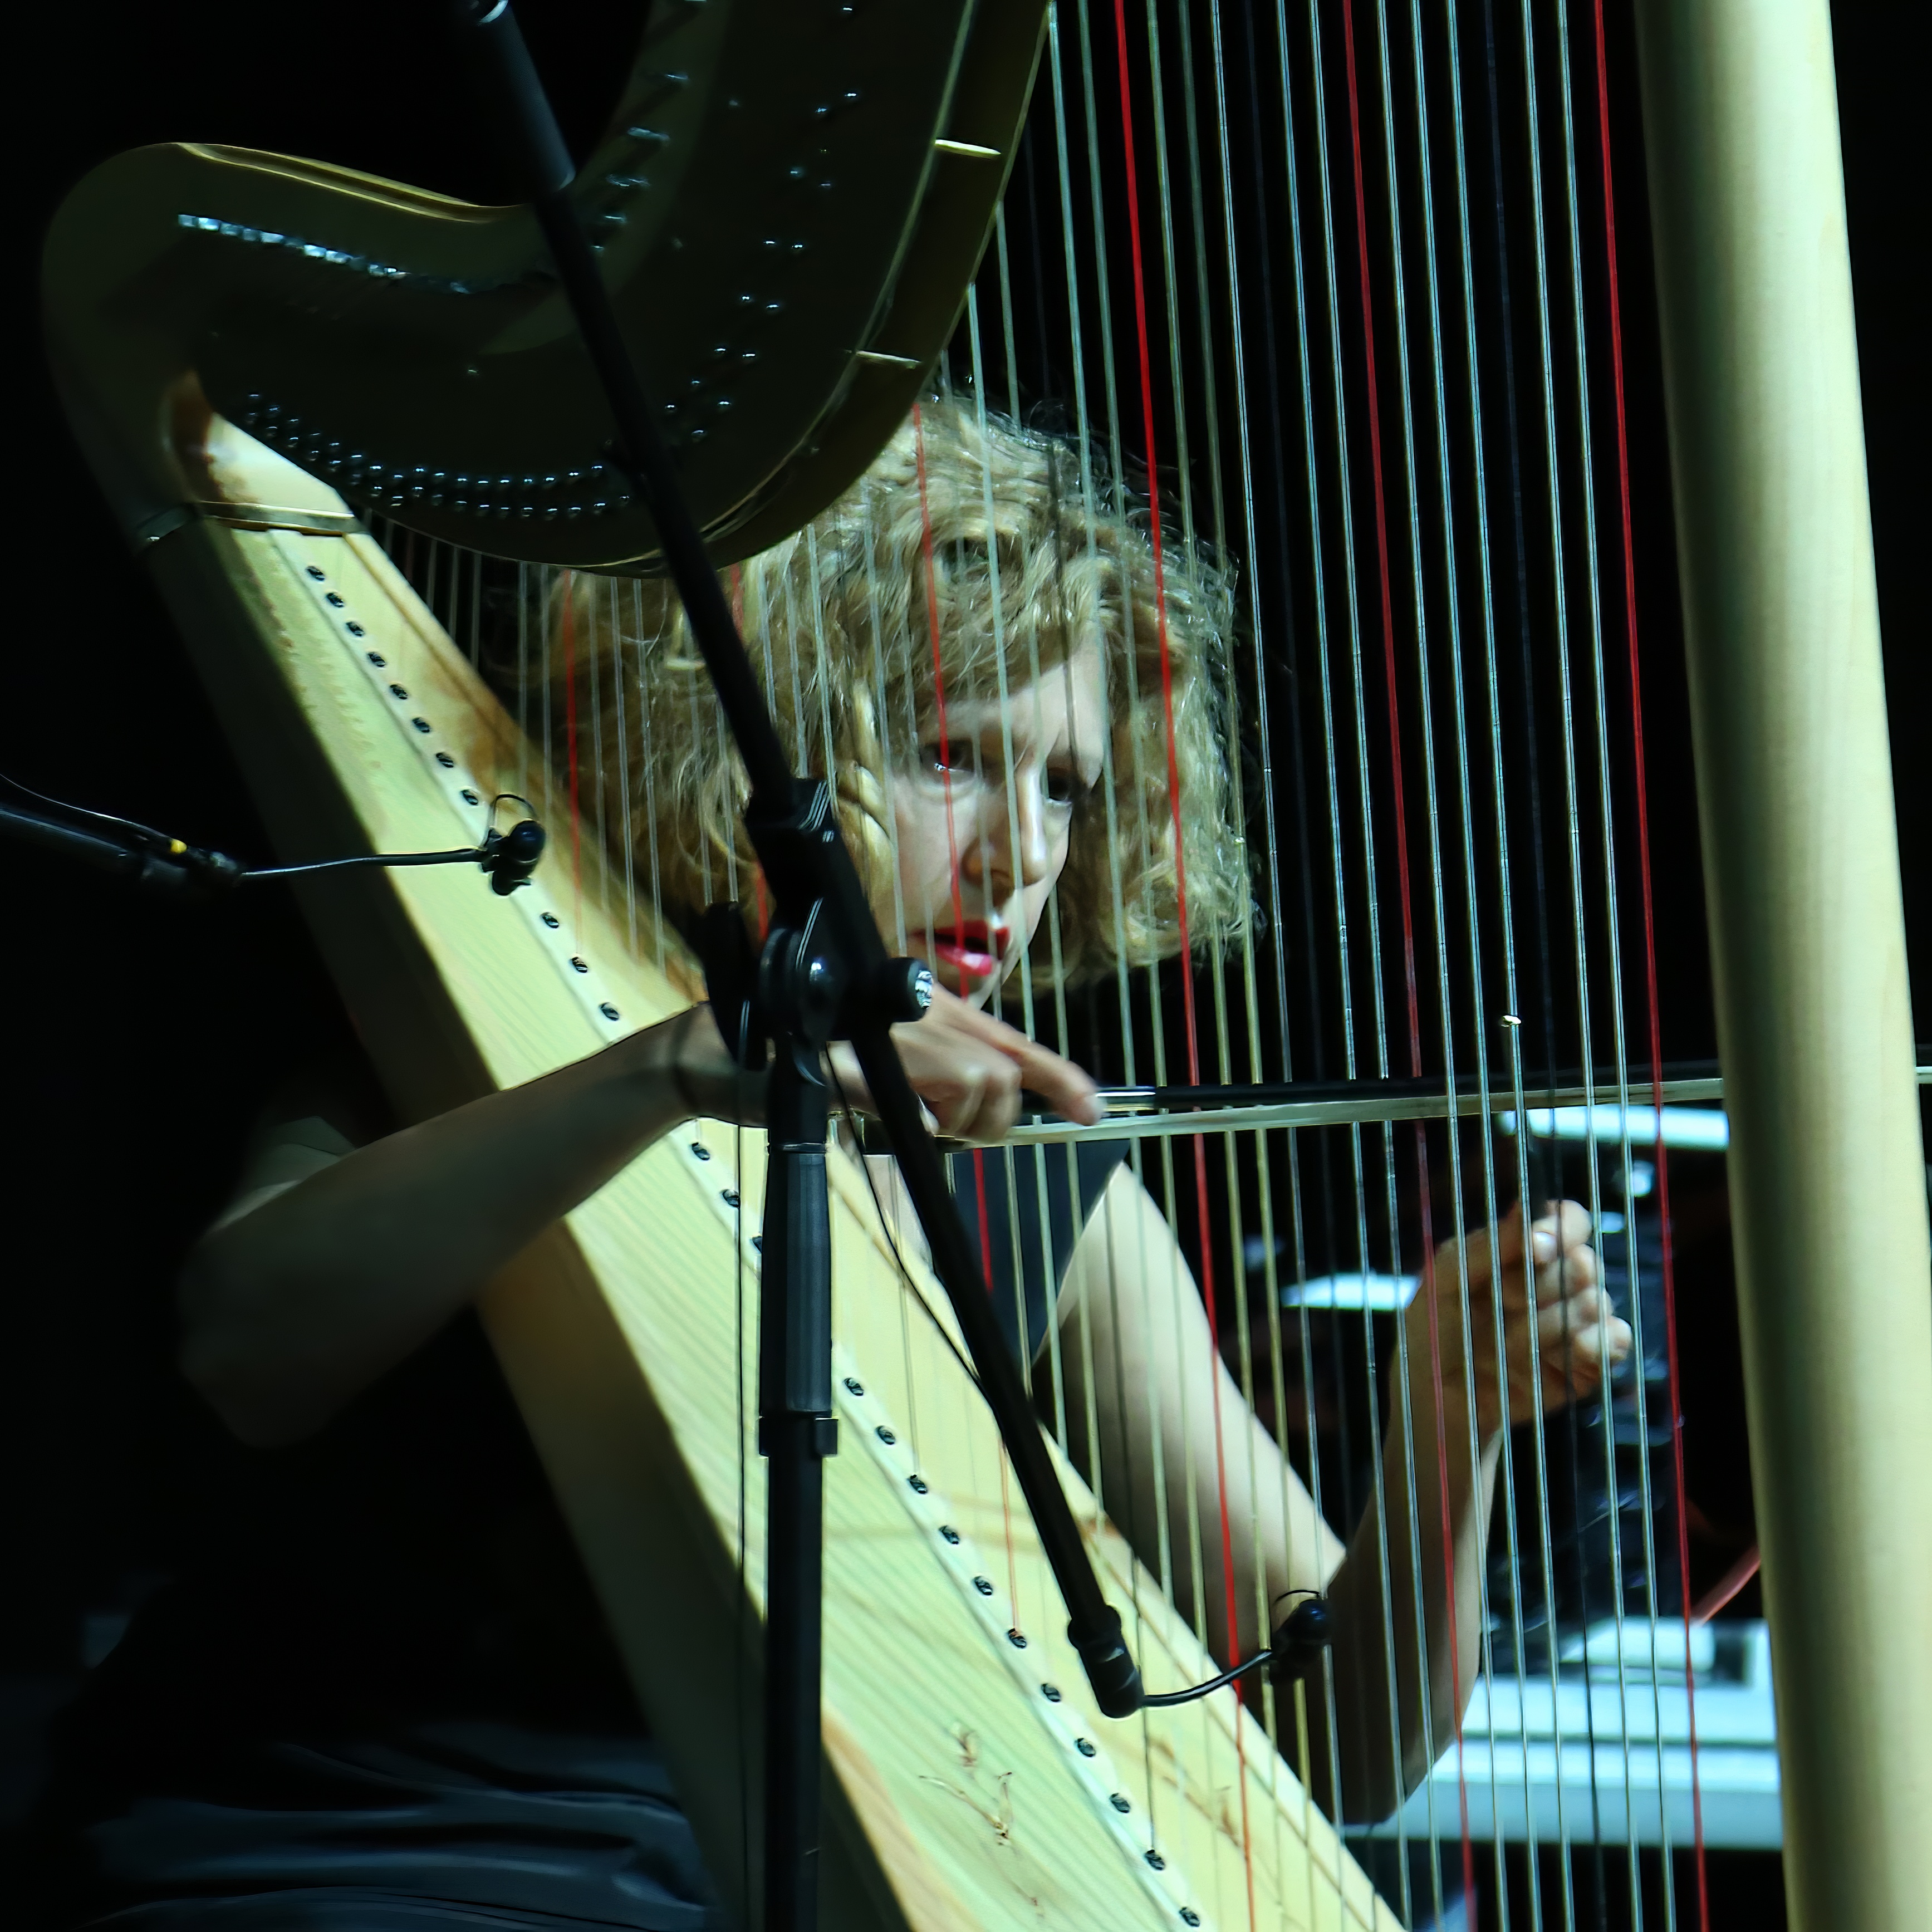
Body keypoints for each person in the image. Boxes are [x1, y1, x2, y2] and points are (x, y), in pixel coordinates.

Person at [22, 400, 1627, 1927]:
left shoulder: (1050, 1199)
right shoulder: (467, 1039)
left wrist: (1444, 1427)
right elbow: (245, 1348)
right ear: (763, 744)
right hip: (335, 1866)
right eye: (953, 754)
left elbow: (1349, 1747)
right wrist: (674, 1070)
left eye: (1065, 783)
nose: (1023, 852)